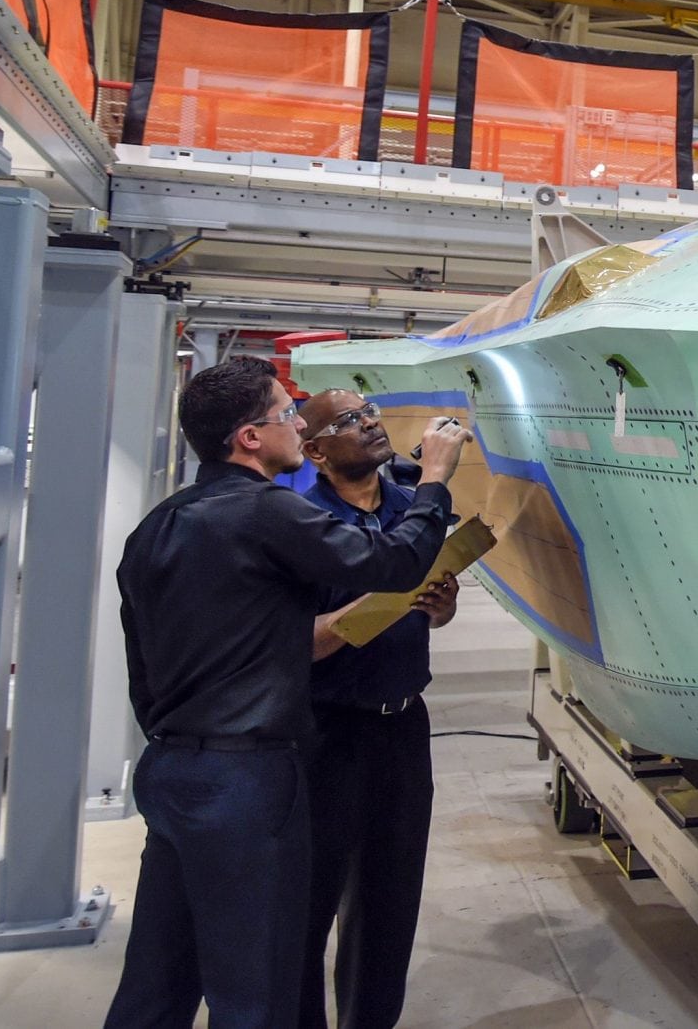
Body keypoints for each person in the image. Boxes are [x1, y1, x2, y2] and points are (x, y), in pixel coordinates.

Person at [104, 357, 471, 1029]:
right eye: (285, 415)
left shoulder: (157, 527)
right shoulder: (269, 512)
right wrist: (438, 475)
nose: (297, 426)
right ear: (248, 437)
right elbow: (391, 564)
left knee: (158, 983)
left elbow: (142, 663)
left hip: (172, 767)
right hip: (249, 776)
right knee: (259, 991)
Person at [294, 390, 462, 1029]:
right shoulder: (301, 520)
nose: (368, 424)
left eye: (368, 413)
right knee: (308, 903)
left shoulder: (409, 509)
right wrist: (369, 609)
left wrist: (438, 606)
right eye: (347, 422)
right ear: (314, 451)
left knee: (388, 905)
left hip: (402, 727)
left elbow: (435, 610)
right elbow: (286, 643)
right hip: (326, 731)